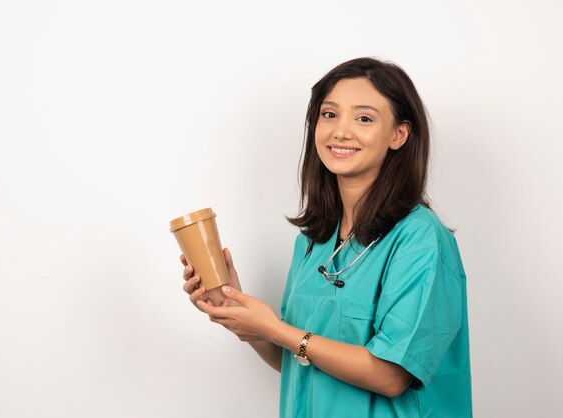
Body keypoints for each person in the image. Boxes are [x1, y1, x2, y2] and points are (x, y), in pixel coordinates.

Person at [181, 57, 472, 417]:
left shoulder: (419, 239)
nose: (340, 132)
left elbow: (391, 374)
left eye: (364, 118)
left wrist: (276, 328)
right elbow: (302, 361)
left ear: (399, 134)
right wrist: (247, 322)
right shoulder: (313, 241)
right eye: (329, 114)